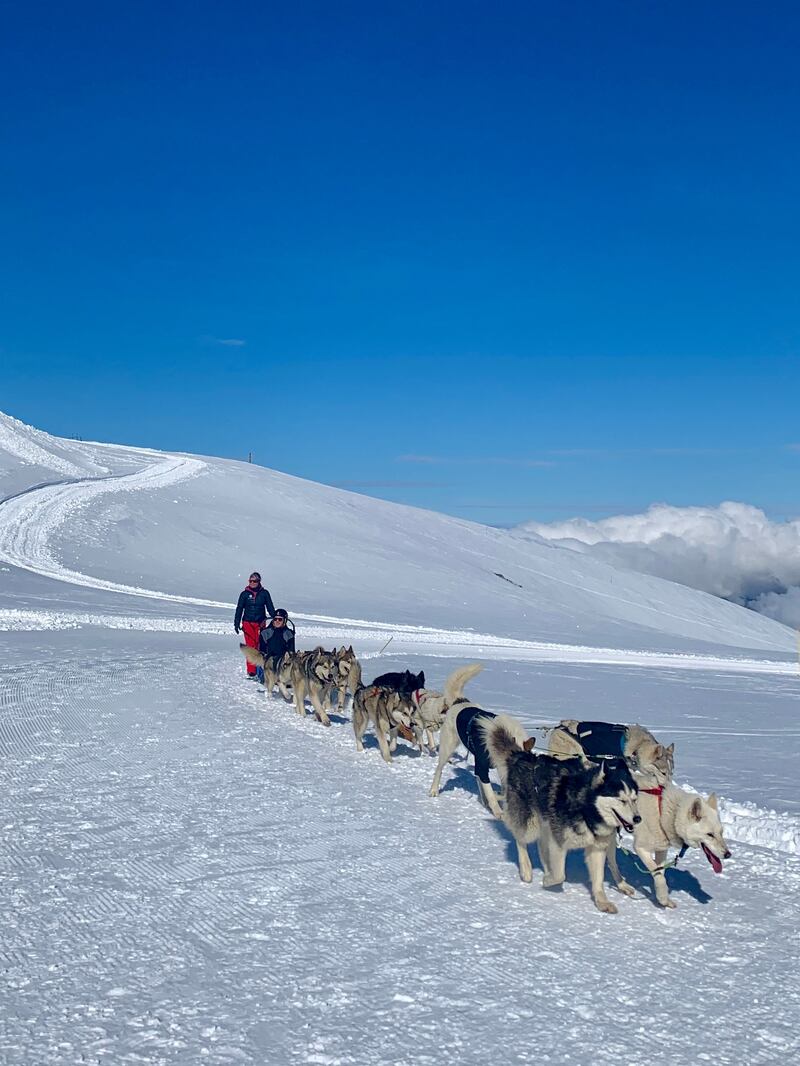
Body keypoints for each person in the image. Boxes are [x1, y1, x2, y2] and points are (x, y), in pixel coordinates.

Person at [234, 572, 276, 678]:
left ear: (259, 582)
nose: (252, 583)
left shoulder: (264, 593)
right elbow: (239, 608)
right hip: (248, 623)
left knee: (261, 646)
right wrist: (236, 622)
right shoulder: (244, 594)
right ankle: (251, 671)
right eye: (251, 581)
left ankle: (261, 669)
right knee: (251, 646)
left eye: (255, 581)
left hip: (260, 623)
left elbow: (270, 607)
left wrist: (276, 618)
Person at [257, 608, 296, 677]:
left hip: (282, 663)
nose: (277, 621)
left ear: (285, 620)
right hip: (267, 661)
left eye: (280, 619)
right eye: (275, 619)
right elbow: (261, 651)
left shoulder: (289, 634)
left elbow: (291, 652)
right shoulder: (265, 633)